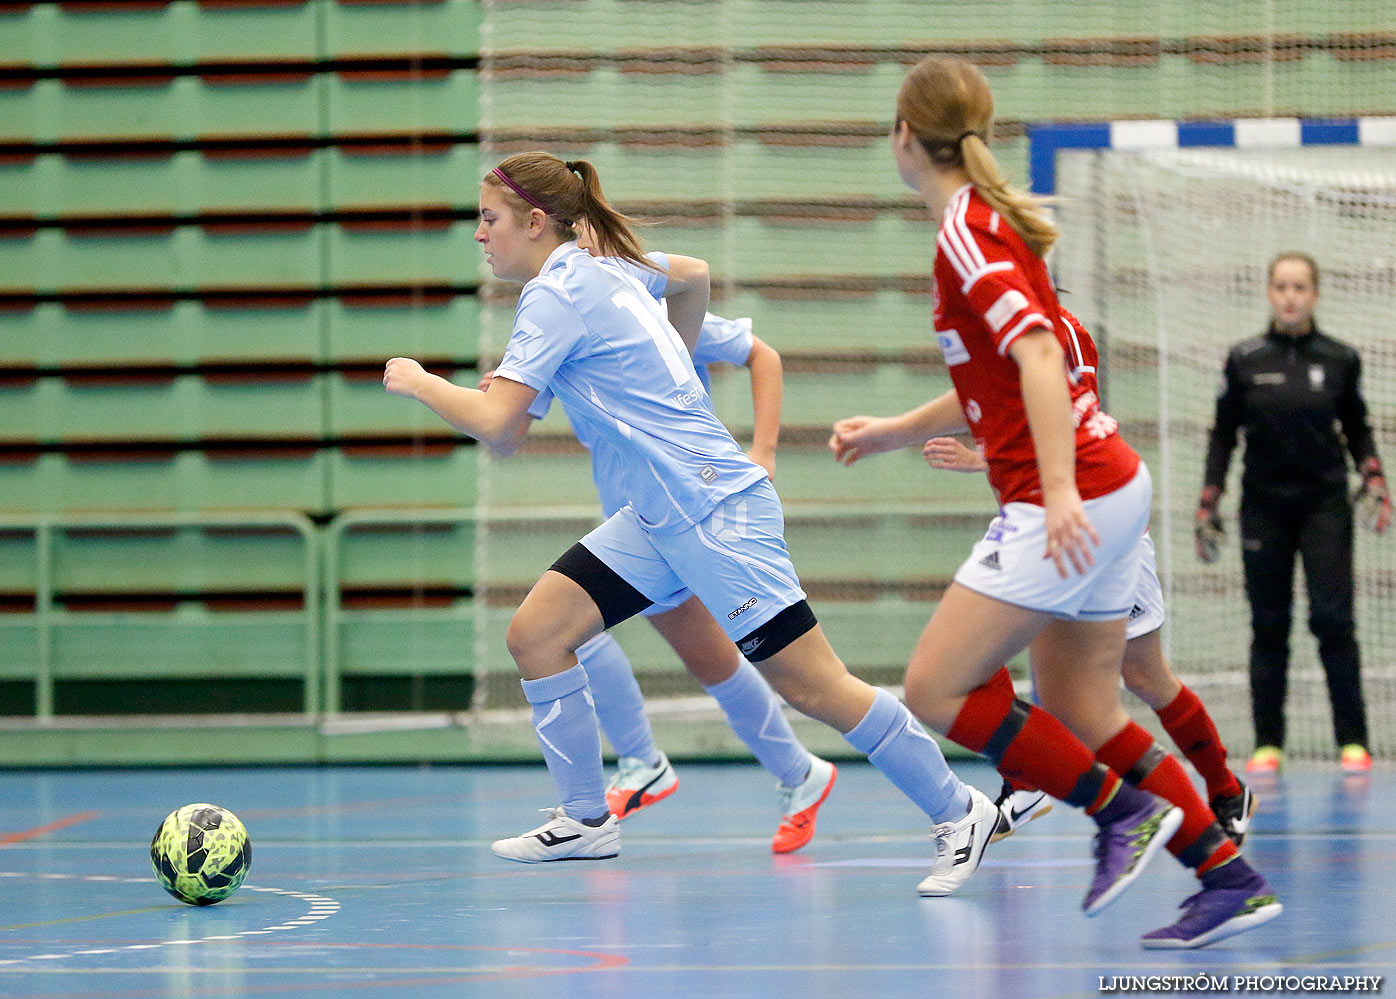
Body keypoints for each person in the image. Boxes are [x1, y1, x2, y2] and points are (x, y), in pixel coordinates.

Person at [384, 151, 999, 896]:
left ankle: (959, 807)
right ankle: (586, 818)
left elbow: (496, 419)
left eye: (489, 220)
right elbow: (693, 276)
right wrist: (667, 361)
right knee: (537, 635)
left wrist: (419, 383)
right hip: (656, 518)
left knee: (812, 685)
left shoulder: (556, 293)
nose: (479, 236)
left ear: (536, 222)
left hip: (711, 510)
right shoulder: (603, 264)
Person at [829, 56, 1280, 948]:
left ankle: (1121, 816)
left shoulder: (965, 227)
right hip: (1109, 489)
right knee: (1084, 709)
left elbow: (1039, 355)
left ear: (904, 137)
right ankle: (1226, 876)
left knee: (937, 687)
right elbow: (995, 379)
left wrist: (1063, 493)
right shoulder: (992, 223)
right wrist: (889, 432)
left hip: (1069, 497)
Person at [484, 228, 836, 854]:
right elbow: (507, 429)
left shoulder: (645, 312)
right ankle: (787, 772)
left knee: (585, 636)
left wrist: (765, 451)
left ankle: (654, 765)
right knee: (681, 654)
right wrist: (498, 398)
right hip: (635, 516)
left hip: (689, 507)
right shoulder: (559, 317)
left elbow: (764, 354)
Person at [918, 309, 1254, 846]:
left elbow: (1064, 428)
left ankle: (1222, 789)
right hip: (1035, 525)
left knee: (1141, 677)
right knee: (975, 647)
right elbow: (1001, 416)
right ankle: (1030, 786)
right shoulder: (979, 336)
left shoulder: (1057, 334)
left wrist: (978, 458)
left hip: (1096, 523)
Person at [1197, 250, 1388, 776]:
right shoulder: (1244, 359)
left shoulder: (1341, 358)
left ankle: (1353, 741)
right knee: (1269, 624)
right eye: (1281, 286)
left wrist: (1373, 473)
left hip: (1325, 506)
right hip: (1263, 509)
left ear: (1315, 294)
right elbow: (1222, 436)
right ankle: (1268, 744)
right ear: (1269, 292)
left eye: (1300, 287)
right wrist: (1209, 496)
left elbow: (1359, 426)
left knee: (1333, 620)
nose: (1290, 296)